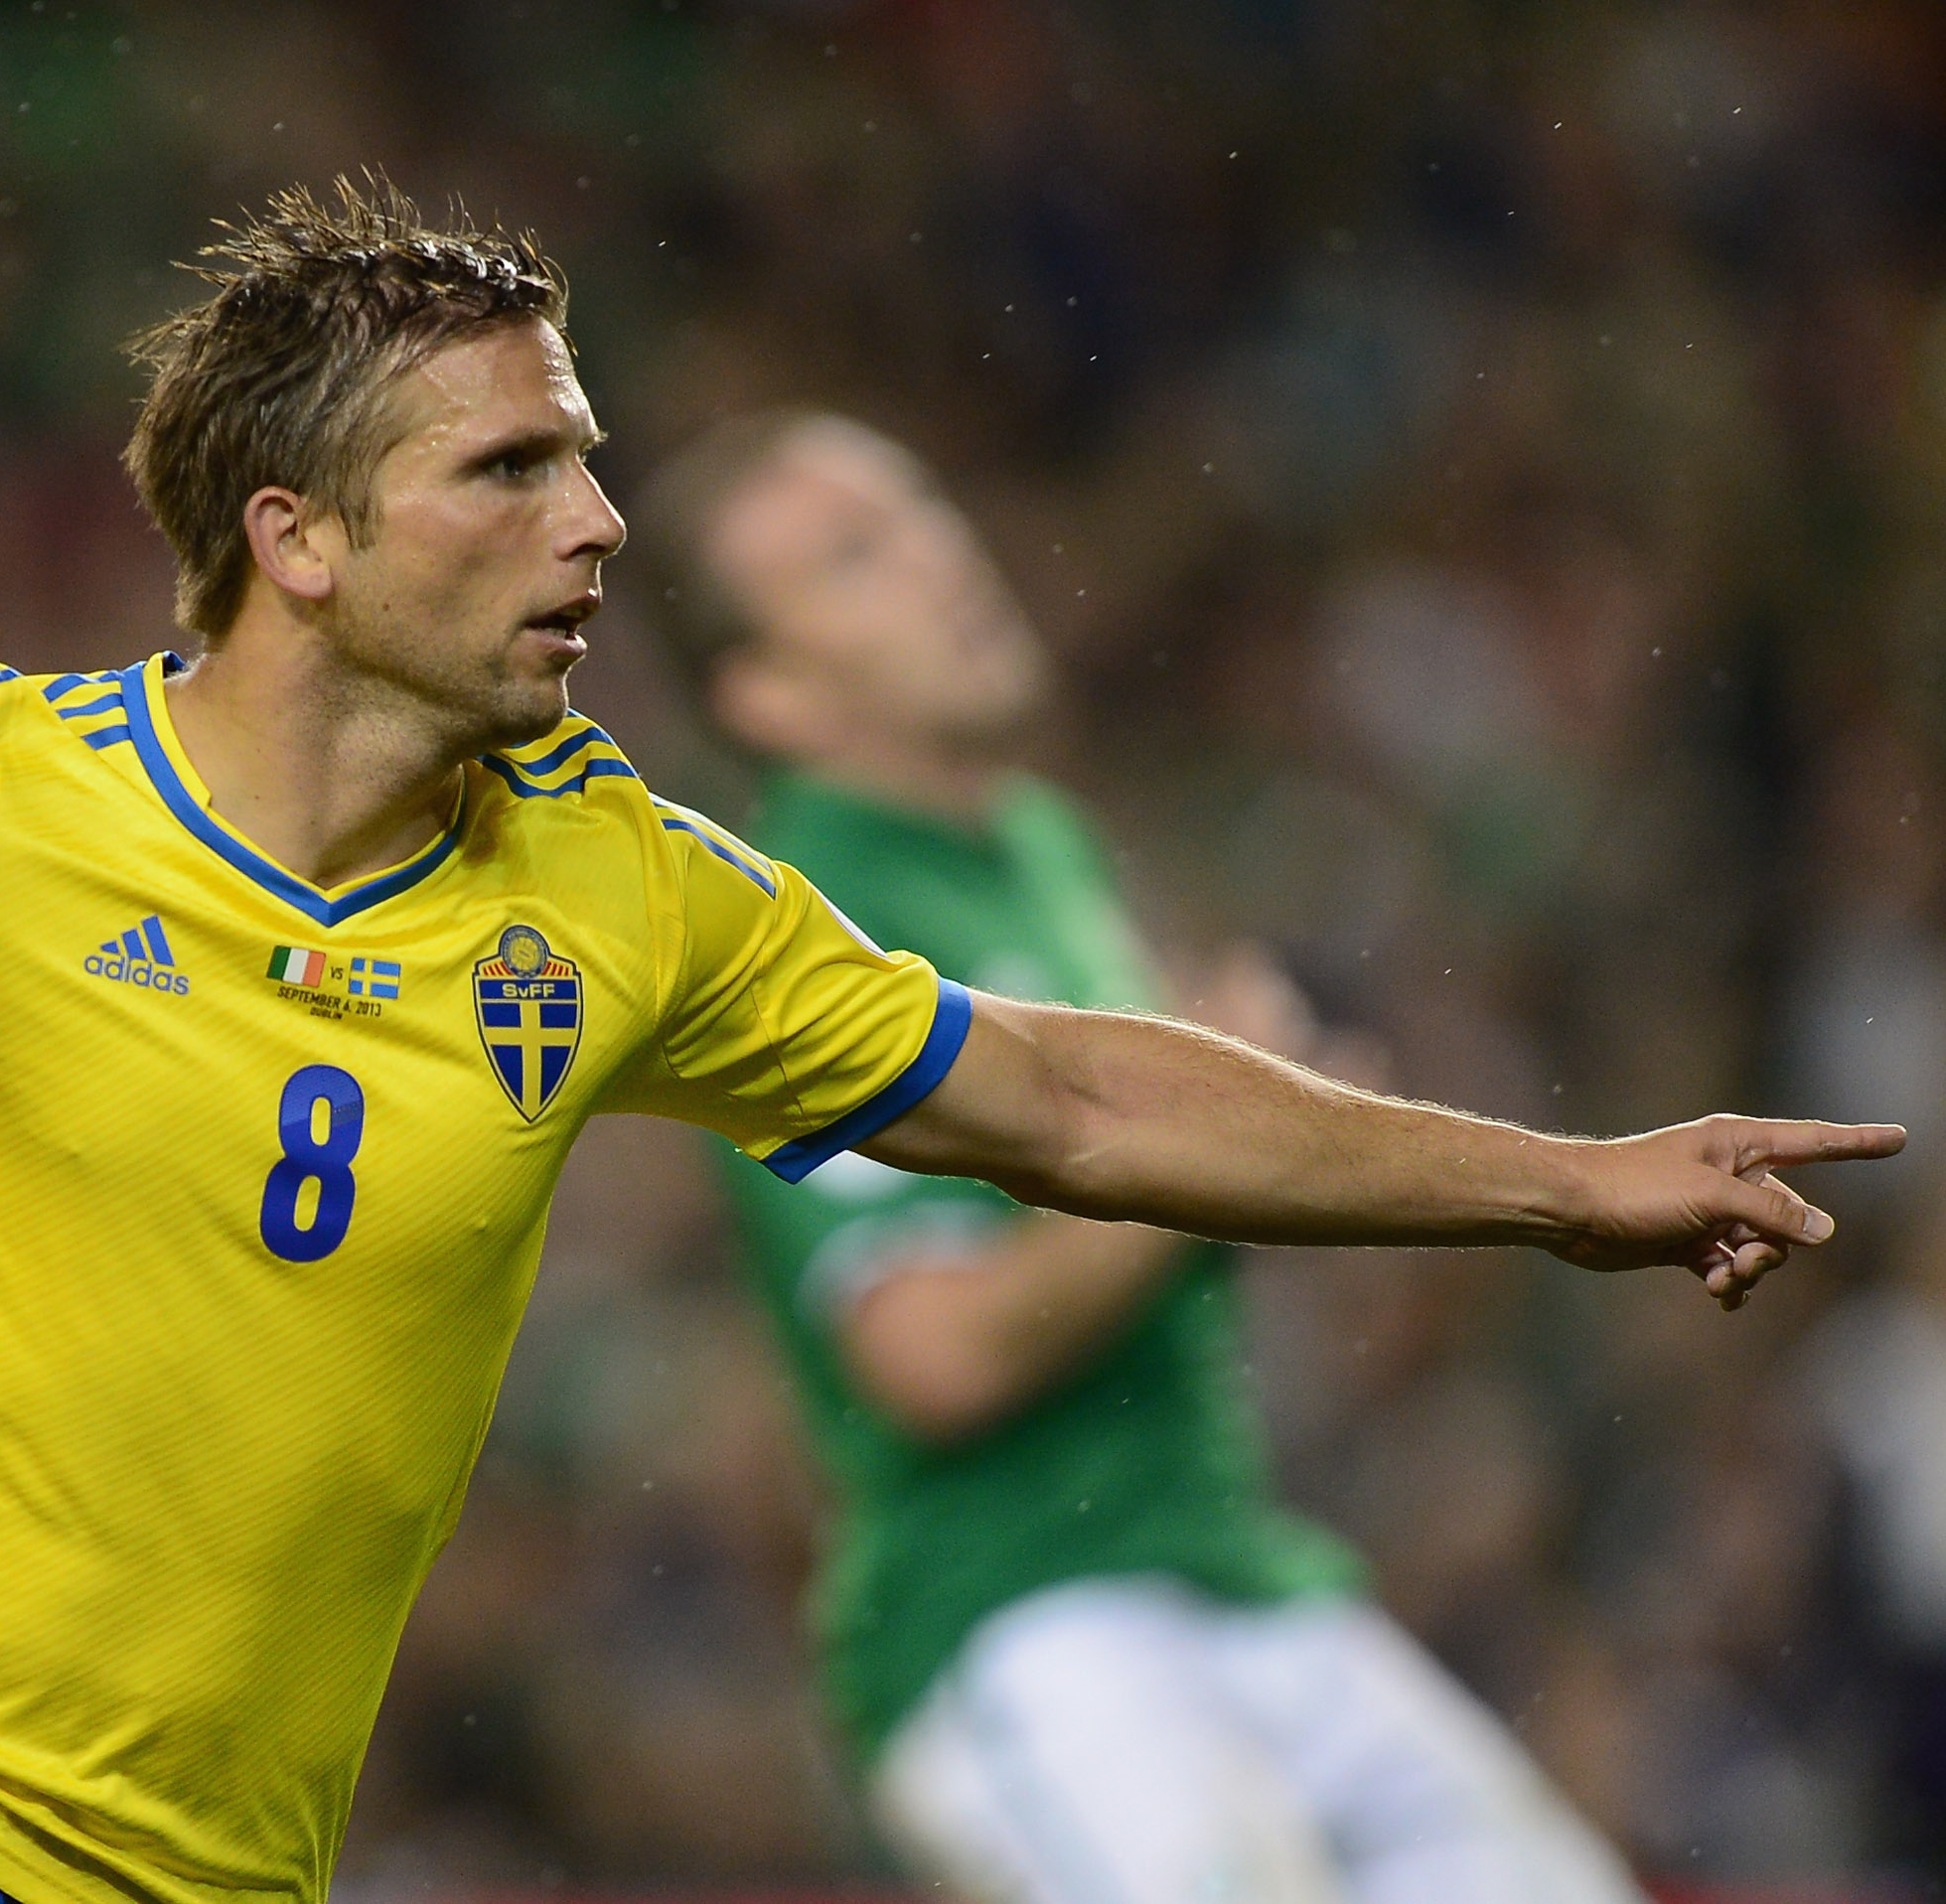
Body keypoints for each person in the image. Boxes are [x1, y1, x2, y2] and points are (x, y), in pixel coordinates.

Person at [0, 181, 1899, 1904]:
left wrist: (1570, 1179)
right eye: (515, 466)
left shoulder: (620, 891)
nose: (599, 520)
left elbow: (1079, 1094)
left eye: (594, 453)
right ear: (295, 537)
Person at [636, 410, 1657, 1903]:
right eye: (854, 560)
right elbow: (928, 1352)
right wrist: (1201, 1154)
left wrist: (1275, 1153)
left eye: (919, 509)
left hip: (1237, 1567)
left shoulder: (1043, 848)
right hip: (1025, 1609)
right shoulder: (791, 924)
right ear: (768, 692)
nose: (942, 565)